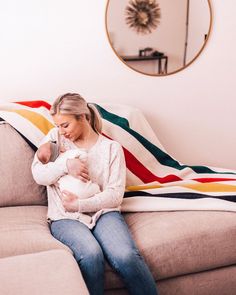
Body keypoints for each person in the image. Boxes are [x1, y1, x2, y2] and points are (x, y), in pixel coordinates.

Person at [31, 93, 158, 295]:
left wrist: (80, 205)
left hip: (103, 212)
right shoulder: (55, 139)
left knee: (126, 256)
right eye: (58, 126)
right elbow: (38, 174)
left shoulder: (111, 148)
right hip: (65, 217)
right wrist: (65, 164)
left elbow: (115, 195)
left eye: (65, 125)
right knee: (91, 255)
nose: (61, 131)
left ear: (83, 117)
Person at [36, 141, 101, 199]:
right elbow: (84, 156)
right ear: (61, 150)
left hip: (70, 195)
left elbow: (56, 183)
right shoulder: (69, 154)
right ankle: (96, 190)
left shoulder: (53, 170)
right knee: (96, 189)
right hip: (84, 188)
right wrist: (69, 164)